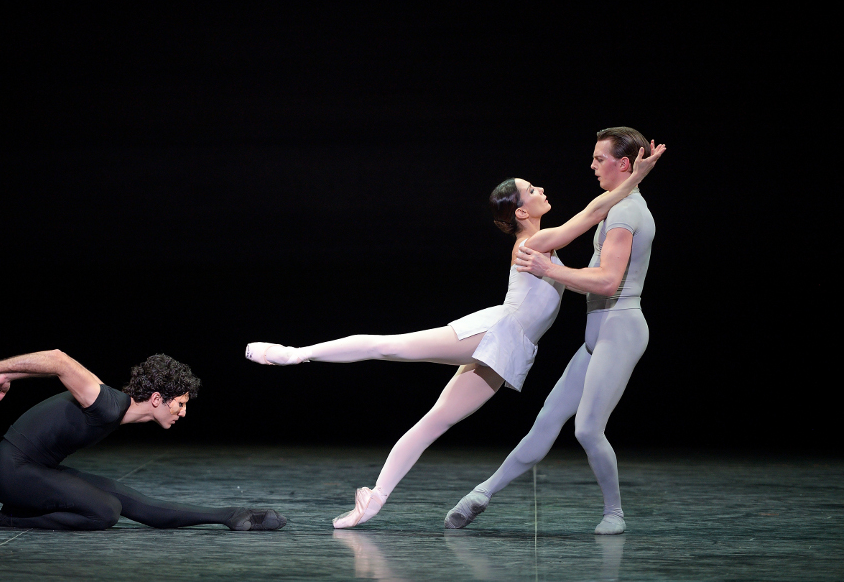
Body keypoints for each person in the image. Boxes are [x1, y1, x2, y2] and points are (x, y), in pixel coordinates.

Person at [245, 138, 664, 529]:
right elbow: (592, 214)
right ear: (521, 212)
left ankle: (374, 500)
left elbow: (593, 221)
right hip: (494, 331)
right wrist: (637, 177)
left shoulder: (544, 244)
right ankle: (294, 353)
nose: (540, 188)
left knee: (435, 421)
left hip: (512, 350)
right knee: (390, 348)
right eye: (531, 189)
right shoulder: (533, 243)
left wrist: (633, 180)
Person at [446, 127, 658, 535]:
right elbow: (591, 212)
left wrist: (551, 270)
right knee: (547, 419)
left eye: (600, 159)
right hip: (601, 332)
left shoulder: (628, 214)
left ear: (623, 163)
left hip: (621, 328)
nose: (593, 165)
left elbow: (609, 281)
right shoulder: (618, 206)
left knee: (587, 428)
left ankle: (614, 513)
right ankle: (481, 494)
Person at [0, 350, 287, 531]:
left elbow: (55, 372)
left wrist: (6, 377)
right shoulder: (104, 402)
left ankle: (232, 516)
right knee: (106, 511)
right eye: (181, 404)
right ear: (157, 399)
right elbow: (58, 360)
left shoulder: (110, 403)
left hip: (35, 469)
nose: (183, 413)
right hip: (10, 473)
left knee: (132, 500)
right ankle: (9, 518)